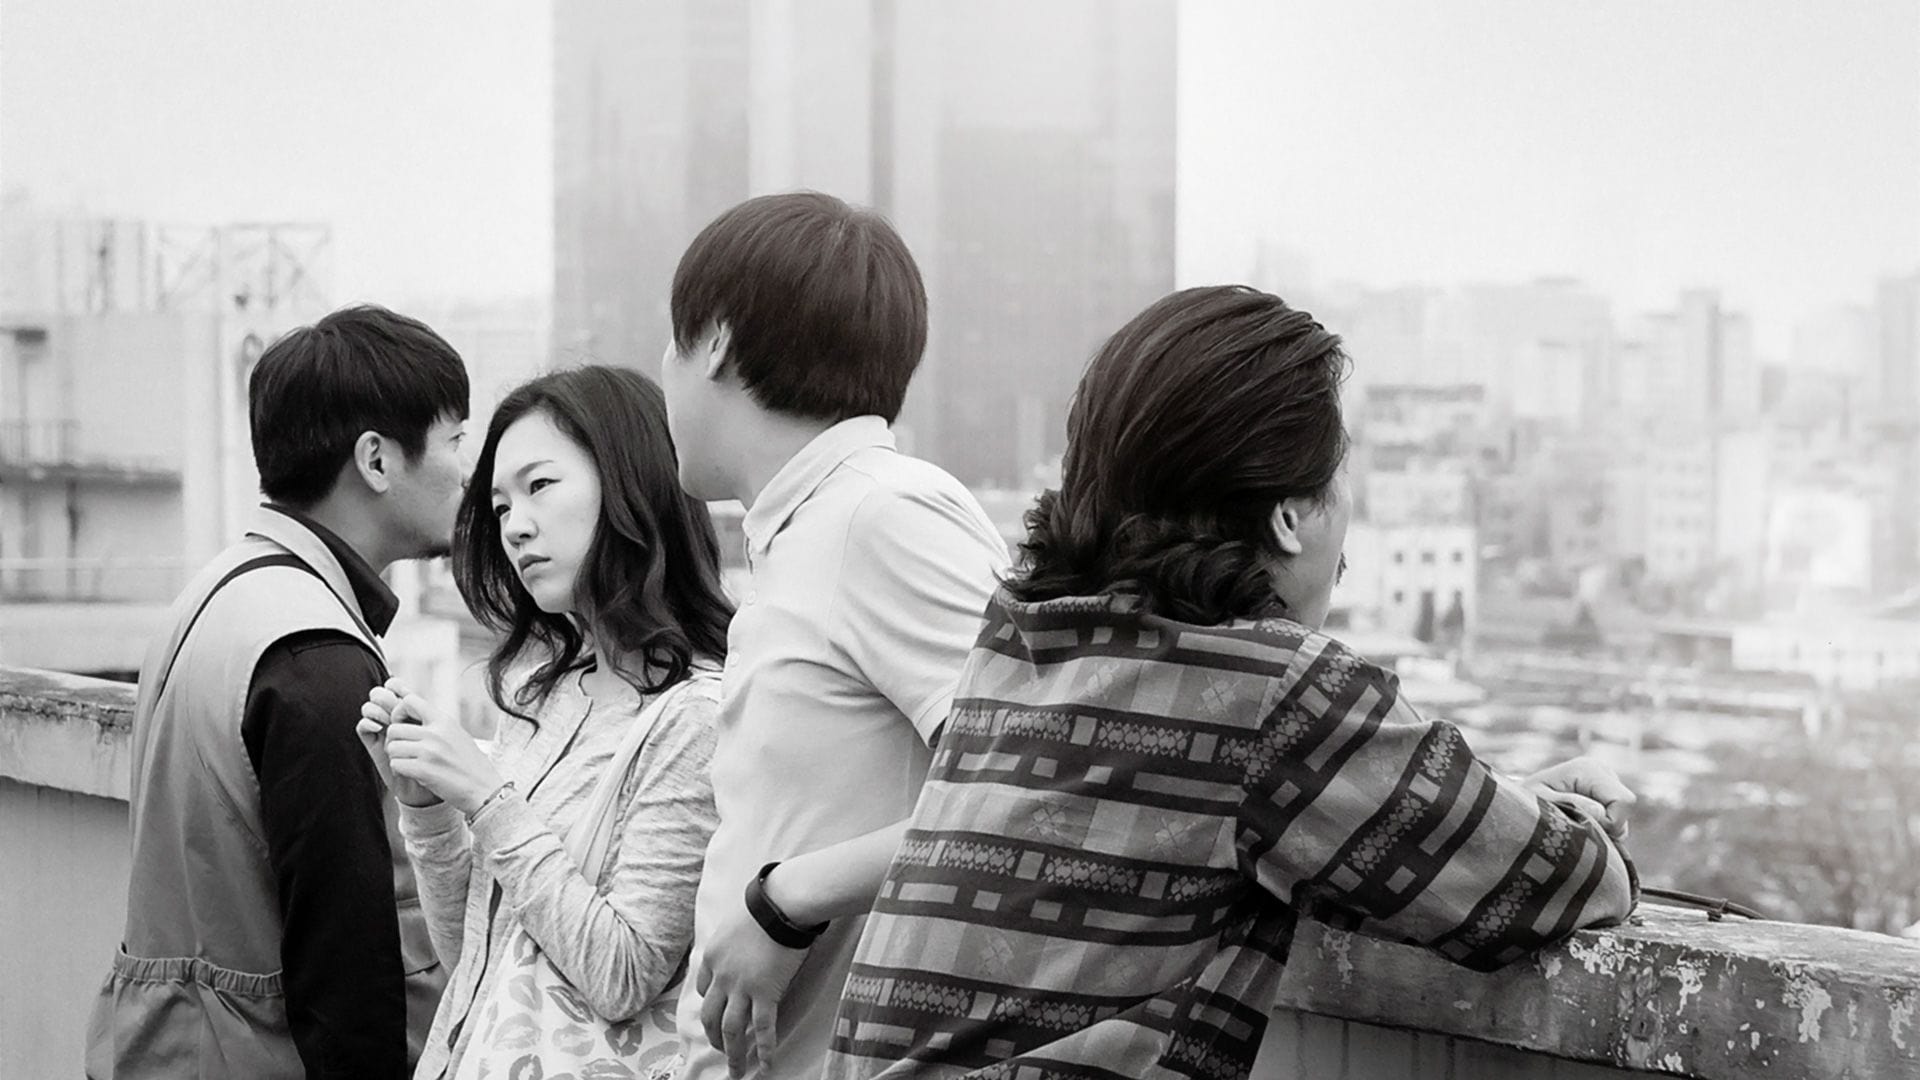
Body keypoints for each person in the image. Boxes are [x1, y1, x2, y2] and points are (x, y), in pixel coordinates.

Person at [822, 285, 1640, 1079]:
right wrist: (1557, 814)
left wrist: (1484, 797)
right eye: (1340, 476)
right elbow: (1570, 881)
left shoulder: (1018, 638)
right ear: (1288, 516)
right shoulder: (1275, 689)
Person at [656, 191, 1012, 1080]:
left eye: (672, 339)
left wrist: (786, 902)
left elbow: (1024, 789)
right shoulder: (813, 525)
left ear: (716, 343)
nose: (661, 369)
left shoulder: (883, 514)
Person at [85, 305, 467, 1078]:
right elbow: (346, 961)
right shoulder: (316, 655)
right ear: (377, 460)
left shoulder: (220, 590)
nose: (467, 470)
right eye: (456, 441)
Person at [357, 365, 734, 1080]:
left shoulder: (695, 716)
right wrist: (428, 810)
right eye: (500, 507)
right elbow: (478, 960)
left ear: (629, 484)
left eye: (540, 486)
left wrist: (486, 799)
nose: (516, 526)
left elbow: (626, 973)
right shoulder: (542, 695)